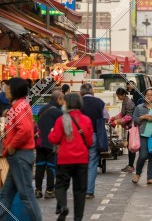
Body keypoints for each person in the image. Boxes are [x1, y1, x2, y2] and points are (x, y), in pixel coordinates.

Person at [0, 77, 42, 221]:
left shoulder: (19, 106)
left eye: (7, 87)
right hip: (17, 157)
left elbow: (25, 130)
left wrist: (12, 146)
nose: (5, 90)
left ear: (14, 90)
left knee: (26, 195)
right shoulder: (18, 106)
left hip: (20, 155)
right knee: (6, 194)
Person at [48, 93, 93, 221]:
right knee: (80, 191)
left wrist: (52, 132)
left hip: (65, 159)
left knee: (61, 185)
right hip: (82, 160)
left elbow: (54, 138)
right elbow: (89, 142)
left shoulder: (61, 120)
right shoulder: (86, 120)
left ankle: (63, 206)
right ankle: (78, 218)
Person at [80, 83, 109, 199]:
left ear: (81, 93)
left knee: (81, 164)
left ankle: (81, 189)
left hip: (80, 137)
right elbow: (105, 117)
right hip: (94, 135)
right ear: (92, 92)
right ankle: (89, 191)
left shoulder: (78, 102)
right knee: (92, 163)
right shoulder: (100, 102)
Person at [131, 88, 152, 185]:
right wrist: (142, 117)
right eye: (147, 95)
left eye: (151, 95)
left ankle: (150, 178)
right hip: (142, 135)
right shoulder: (139, 107)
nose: (149, 97)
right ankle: (137, 174)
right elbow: (134, 120)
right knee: (142, 156)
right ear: (144, 96)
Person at [35, 90, 64, 199]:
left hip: (40, 143)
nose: (63, 102)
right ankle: (49, 190)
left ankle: (38, 190)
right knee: (51, 167)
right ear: (58, 99)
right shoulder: (58, 113)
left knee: (40, 166)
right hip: (52, 144)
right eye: (62, 99)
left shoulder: (42, 109)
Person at [109, 88, 136, 173]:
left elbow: (128, 117)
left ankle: (131, 166)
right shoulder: (125, 102)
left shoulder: (129, 103)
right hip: (130, 127)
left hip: (133, 127)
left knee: (131, 147)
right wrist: (114, 117)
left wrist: (117, 121)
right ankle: (130, 165)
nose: (118, 98)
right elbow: (122, 113)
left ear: (123, 95)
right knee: (129, 147)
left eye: (119, 96)